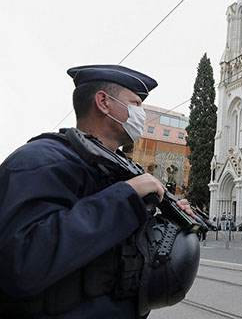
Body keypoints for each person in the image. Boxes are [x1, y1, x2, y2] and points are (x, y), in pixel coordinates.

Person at [0, 64, 196, 318]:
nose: (142, 114)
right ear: (103, 102)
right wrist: (124, 197)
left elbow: (126, 255)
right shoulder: (40, 160)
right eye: (136, 104)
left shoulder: (123, 171)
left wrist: (169, 225)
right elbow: (20, 264)